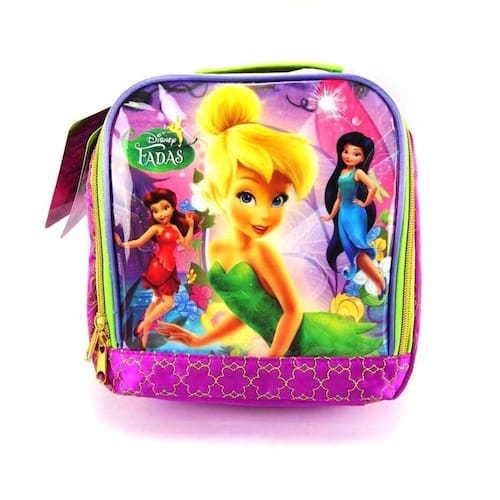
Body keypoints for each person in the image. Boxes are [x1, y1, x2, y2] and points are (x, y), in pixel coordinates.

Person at [157, 85, 381, 357]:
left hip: (302, 343)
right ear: (218, 192)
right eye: (247, 196)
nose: (265, 214)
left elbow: (292, 312)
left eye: (278, 200)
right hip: (280, 350)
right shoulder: (219, 250)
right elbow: (246, 314)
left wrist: (272, 361)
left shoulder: (261, 253)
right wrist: (199, 341)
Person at [114, 188, 199, 349]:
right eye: (155, 211)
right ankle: (144, 324)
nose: (160, 214)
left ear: (173, 208)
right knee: (168, 303)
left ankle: (144, 339)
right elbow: (139, 241)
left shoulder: (174, 228)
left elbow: (186, 244)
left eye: (165, 208)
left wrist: (190, 226)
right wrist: (122, 244)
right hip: (159, 267)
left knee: (156, 302)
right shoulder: (156, 229)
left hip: (169, 268)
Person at [321, 132, 385, 296]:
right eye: (346, 151)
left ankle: (380, 283)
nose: (349, 156)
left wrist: (365, 203)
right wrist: (331, 216)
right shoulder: (342, 173)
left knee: (358, 246)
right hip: (344, 214)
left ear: (363, 158)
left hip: (355, 214)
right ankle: (379, 282)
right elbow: (338, 198)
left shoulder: (358, 173)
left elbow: (373, 187)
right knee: (353, 251)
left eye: (356, 154)